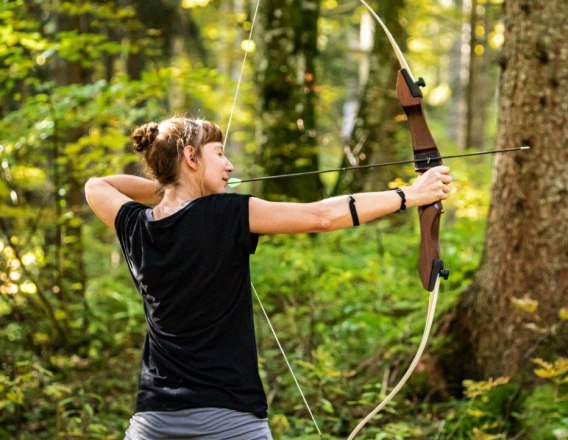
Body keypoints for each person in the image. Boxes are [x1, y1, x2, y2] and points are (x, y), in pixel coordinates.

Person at [84, 117, 452, 439]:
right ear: (191, 158)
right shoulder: (224, 213)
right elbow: (320, 217)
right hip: (228, 420)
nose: (229, 165)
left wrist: (174, 192)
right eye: (219, 153)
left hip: (153, 422)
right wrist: (411, 194)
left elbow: (97, 185)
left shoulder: (136, 226)